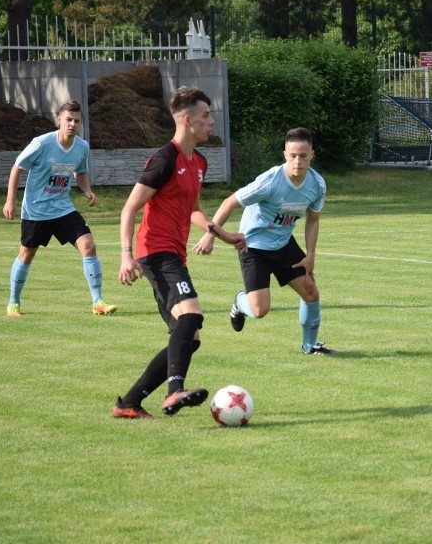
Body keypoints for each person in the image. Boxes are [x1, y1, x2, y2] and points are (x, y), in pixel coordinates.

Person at [113, 86, 244, 420]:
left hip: (174, 254)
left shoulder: (199, 162)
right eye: (205, 116)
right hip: (155, 252)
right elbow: (130, 208)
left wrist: (221, 233)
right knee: (192, 316)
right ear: (188, 120)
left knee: (189, 337)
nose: (211, 122)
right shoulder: (164, 159)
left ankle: (128, 403)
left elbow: (193, 209)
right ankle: (174, 392)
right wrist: (126, 255)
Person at [195, 127, 336, 356]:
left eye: (303, 155)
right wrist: (211, 235)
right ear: (284, 155)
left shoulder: (317, 184)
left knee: (311, 292)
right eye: (292, 155)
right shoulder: (270, 181)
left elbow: (313, 219)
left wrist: (310, 255)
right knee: (259, 310)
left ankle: (310, 346)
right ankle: (240, 302)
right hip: (253, 247)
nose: (297, 161)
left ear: (312, 154)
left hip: (283, 243)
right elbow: (230, 202)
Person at [3, 100, 116, 317]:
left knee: (89, 246)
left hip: (63, 208)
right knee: (26, 254)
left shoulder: (82, 147)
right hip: (36, 210)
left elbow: (80, 172)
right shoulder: (42, 143)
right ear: (59, 120)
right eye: (68, 120)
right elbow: (17, 167)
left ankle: (98, 302)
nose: (72, 124)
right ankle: (13, 303)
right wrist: (10, 201)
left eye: (77, 121)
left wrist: (87, 190)